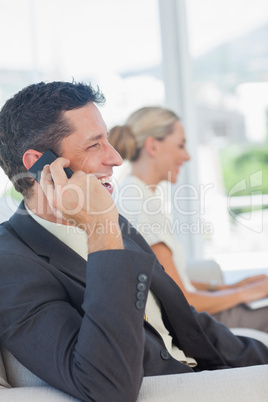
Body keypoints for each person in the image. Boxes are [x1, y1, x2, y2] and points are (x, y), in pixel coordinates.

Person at [0, 83, 268, 402]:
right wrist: (101, 230)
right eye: (94, 145)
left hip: (223, 369)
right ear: (39, 165)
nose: (115, 158)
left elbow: (188, 324)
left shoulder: (116, 220)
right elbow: (107, 385)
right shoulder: (12, 263)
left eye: (108, 141)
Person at [109, 106, 268, 333]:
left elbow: (172, 282)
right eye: (181, 145)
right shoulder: (141, 205)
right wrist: (246, 293)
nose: (187, 155)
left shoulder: (136, 194)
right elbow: (182, 300)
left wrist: (230, 286)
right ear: (153, 146)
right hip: (193, 324)